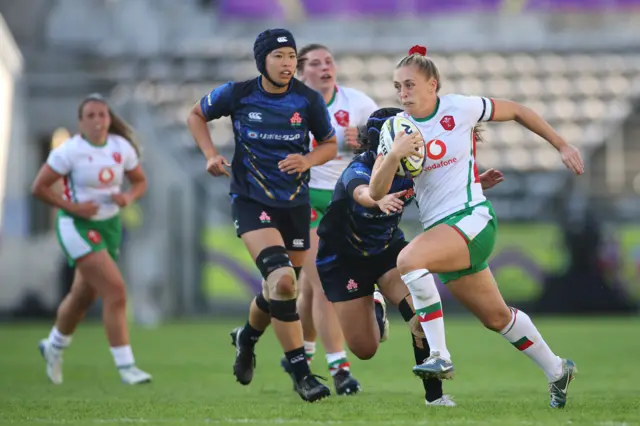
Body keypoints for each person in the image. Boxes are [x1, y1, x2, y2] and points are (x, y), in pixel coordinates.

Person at [369, 45, 584, 409]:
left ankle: (439, 354)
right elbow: (375, 190)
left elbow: (516, 110)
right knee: (497, 317)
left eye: (409, 85)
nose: (402, 94)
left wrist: (561, 144)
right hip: (444, 234)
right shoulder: (394, 128)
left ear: (432, 84)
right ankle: (557, 369)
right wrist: (393, 154)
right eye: (397, 87)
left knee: (408, 261)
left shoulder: (460, 108)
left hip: (473, 220)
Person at [186, 29, 338, 402]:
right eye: (279, 56)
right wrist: (209, 154)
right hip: (251, 199)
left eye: (291, 56)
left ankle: (247, 337)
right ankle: (303, 375)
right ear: (262, 60)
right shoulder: (237, 94)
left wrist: (307, 159)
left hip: (295, 205)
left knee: (279, 290)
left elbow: (331, 145)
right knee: (284, 283)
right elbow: (196, 114)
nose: (288, 64)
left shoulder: (307, 100)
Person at [316, 106, 504, 407]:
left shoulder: (413, 171)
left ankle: (435, 398)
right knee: (365, 348)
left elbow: (443, 190)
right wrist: (378, 199)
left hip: (388, 252)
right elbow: (363, 194)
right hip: (343, 260)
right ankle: (375, 302)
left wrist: (477, 182)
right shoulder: (359, 169)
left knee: (421, 317)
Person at [279, 43, 379, 395]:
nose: (325, 67)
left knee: (307, 287)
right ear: (301, 72)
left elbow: (383, 149)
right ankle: (339, 369)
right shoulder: (289, 105)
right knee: (323, 279)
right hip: (303, 198)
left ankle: (302, 356)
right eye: (316, 63)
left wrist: (363, 143)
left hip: (347, 198)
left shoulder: (359, 103)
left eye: (329, 61)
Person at [31, 93, 152, 385]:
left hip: (109, 224)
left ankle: (54, 346)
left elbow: (140, 181)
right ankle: (127, 367)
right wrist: (74, 207)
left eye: (103, 115)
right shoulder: (69, 151)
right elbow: (39, 187)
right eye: (92, 116)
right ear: (81, 122)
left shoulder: (120, 147)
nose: (98, 121)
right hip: (76, 225)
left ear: (109, 119)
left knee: (83, 296)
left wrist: (127, 196)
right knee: (116, 291)